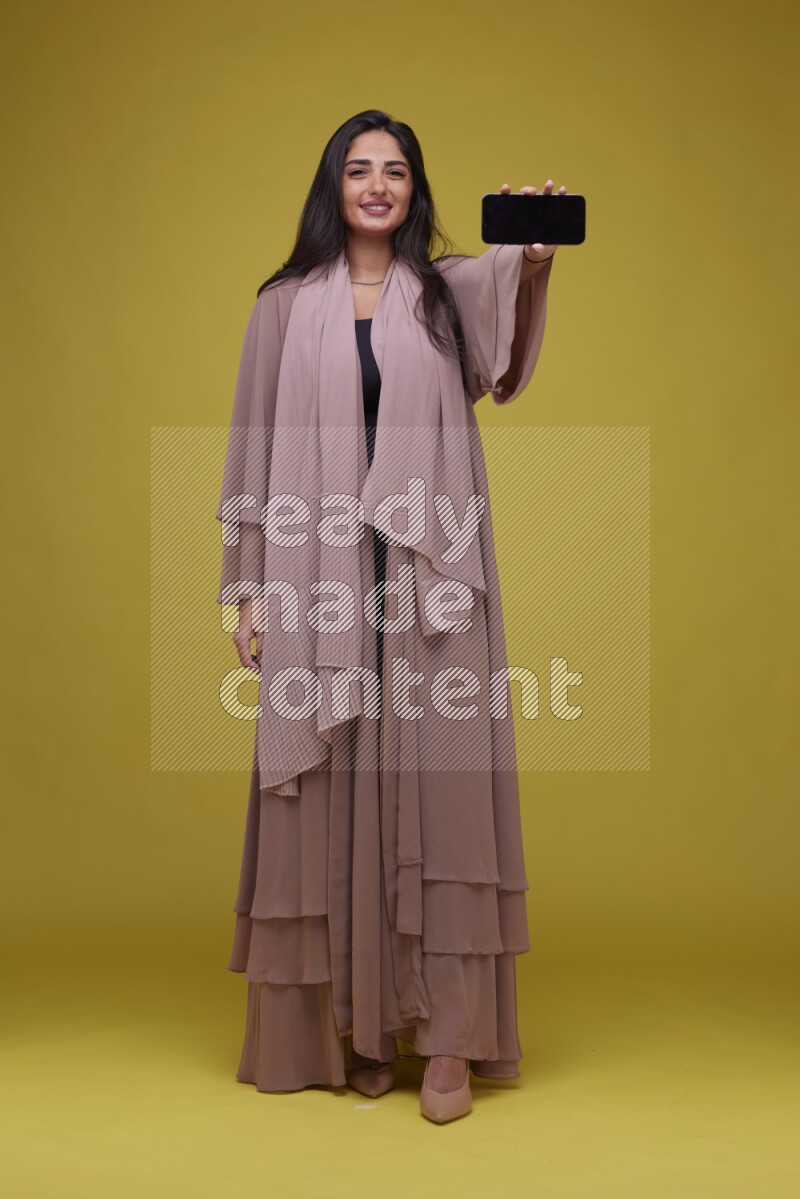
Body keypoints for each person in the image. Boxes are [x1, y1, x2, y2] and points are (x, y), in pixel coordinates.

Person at [215, 108, 565, 1124]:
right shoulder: (283, 306)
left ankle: (448, 1039)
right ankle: (357, 1032)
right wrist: (245, 586)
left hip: (426, 568)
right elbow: (249, 445)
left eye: (396, 171)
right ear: (334, 186)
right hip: (316, 567)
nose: (377, 185)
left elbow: (502, 338)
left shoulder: (443, 293)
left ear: (414, 190)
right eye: (360, 169)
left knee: (442, 789)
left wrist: (532, 256)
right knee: (330, 786)